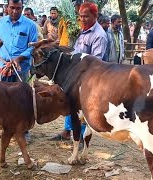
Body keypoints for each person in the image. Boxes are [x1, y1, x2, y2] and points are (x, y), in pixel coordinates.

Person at [51, 2, 107, 141]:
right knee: (70, 101)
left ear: (95, 16)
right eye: (81, 16)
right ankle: (66, 131)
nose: (82, 19)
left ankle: (82, 137)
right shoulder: (80, 29)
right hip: (75, 74)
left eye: (86, 16)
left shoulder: (99, 35)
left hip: (88, 77)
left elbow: (96, 62)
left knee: (83, 106)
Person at [0, 0, 37, 143]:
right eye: (12, 8)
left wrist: (19, 58)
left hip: (20, 67)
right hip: (3, 66)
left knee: (23, 100)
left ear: (22, 8)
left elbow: (33, 47)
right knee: (3, 99)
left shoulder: (30, 26)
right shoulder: (1, 22)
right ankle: (6, 129)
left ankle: (24, 131)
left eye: (18, 8)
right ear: (7, 8)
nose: (15, 11)